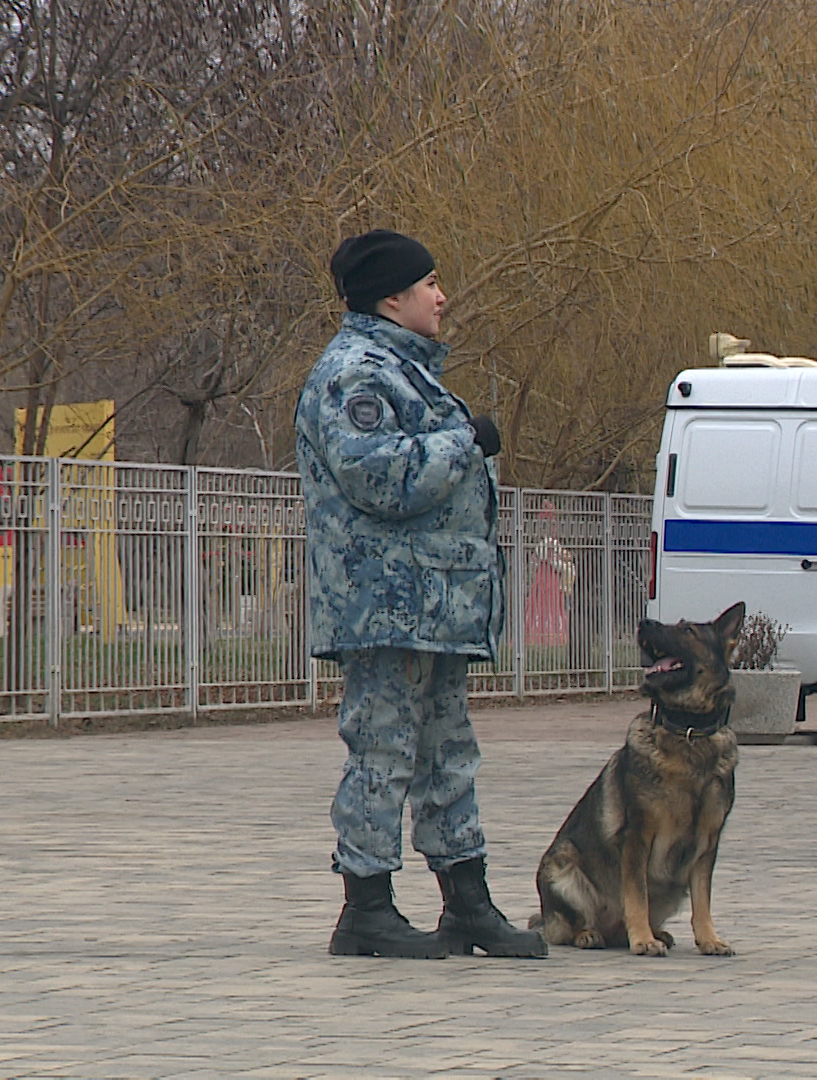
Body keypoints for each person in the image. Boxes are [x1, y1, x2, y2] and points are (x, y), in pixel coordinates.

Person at [295, 229, 545, 959]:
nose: (443, 296)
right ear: (391, 296)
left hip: (433, 608)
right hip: (387, 607)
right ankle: (365, 907)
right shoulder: (355, 375)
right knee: (384, 753)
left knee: (447, 756)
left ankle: (467, 903)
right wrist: (467, 438)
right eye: (430, 283)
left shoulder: (406, 371)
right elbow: (383, 478)